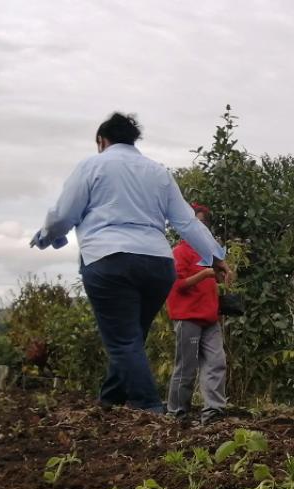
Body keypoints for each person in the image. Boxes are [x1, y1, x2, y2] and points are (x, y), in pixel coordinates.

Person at [33, 112, 230, 413]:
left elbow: (62, 216)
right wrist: (215, 256)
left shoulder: (92, 166)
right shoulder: (158, 172)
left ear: (102, 141)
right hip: (157, 265)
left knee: (123, 340)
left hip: (109, 260)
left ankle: (149, 408)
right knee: (131, 336)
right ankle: (109, 399)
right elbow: (187, 222)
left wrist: (46, 236)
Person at [165, 203, 228, 424]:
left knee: (216, 361)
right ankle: (177, 411)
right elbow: (177, 285)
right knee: (187, 366)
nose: (201, 228)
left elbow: (217, 280)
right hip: (187, 316)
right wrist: (205, 274)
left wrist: (224, 274)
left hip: (209, 317)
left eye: (204, 225)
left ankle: (213, 410)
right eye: (197, 224)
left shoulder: (209, 254)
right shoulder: (178, 253)